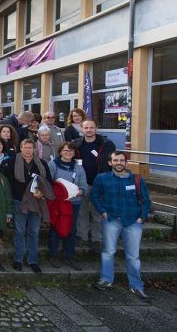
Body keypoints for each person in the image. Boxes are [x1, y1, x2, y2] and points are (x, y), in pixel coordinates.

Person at [91, 152, 152, 300]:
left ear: (126, 163)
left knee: (133, 256)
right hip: (111, 219)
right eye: (115, 160)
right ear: (110, 162)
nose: (119, 163)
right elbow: (94, 196)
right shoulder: (102, 178)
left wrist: (141, 217)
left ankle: (136, 286)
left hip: (132, 221)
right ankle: (106, 279)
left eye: (121, 160)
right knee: (108, 252)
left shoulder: (136, 179)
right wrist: (103, 212)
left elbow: (146, 200)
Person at [1, 139, 53, 274]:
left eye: (30, 147)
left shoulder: (41, 164)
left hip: (36, 202)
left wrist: (42, 193)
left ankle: (33, 260)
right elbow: (7, 183)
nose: (28, 150)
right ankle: (18, 259)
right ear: (21, 148)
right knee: (19, 231)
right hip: (19, 201)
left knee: (34, 232)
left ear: (34, 148)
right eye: (25, 147)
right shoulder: (11, 162)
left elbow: (49, 182)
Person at [72, 120, 116, 253]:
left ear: (96, 128)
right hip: (82, 185)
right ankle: (82, 236)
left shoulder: (106, 145)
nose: (89, 130)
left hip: (99, 185)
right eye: (86, 128)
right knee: (82, 212)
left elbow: (112, 163)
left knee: (98, 213)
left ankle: (97, 239)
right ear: (82, 129)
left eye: (92, 127)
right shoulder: (76, 144)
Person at [47, 142, 88, 270]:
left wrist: (76, 192)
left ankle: (68, 256)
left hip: (73, 203)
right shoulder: (53, 165)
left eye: (71, 151)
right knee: (55, 227)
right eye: (65, 151)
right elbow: (49, 183)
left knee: (71, 229)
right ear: (60, 152)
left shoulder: (78, 168)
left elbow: (84, 187)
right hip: (58, 203)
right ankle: (53, 255)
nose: (68, 153)